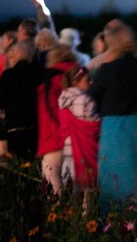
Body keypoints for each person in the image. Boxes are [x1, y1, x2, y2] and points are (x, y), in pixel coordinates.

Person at [89, 22, 137, 214]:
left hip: (114, 128)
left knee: (115, 176)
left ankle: (115, 221)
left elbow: (93, 96)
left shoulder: (107, 68)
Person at [36, 44, 78, 195]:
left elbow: (49, 108)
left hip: (54, 134)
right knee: (74, 177)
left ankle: (58, 206)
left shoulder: (50, 78)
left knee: (50, 173)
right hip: (78, 133)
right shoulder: (79, 74)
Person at [58, 66, 100, 202]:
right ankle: (87, 212)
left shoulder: (62, 99)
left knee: (73, 190)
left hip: (68, 149)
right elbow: (94, 123)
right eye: (87, 80)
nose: (91, 83)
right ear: (76, 82)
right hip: (83, 149)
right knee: (87, 189)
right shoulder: (84, 99)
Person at [0, 42, 41, 160]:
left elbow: (0, 101)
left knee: (17, 160)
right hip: (35, 124)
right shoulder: (38, 73)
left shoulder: (8, 75)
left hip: (14, 124)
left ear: (13, 57)